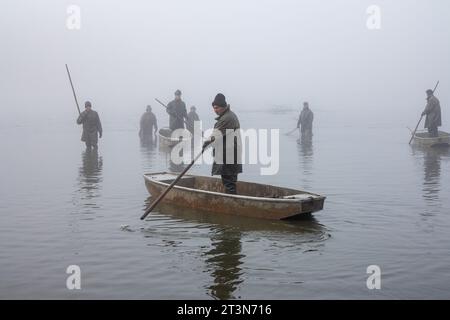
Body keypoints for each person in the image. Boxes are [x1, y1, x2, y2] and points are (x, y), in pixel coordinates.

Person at [203, 93, 242, 194]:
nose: (215, 110)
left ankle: (231, 203)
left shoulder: (226, 118)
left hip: (228, 155)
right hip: (231, 154)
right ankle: (233, 201)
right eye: (214, 108)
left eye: (217, 107)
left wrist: (205, 144)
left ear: (223, 106)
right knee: (230, 181)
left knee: (229, 182)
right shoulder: (229, 115)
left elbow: (215, 135)